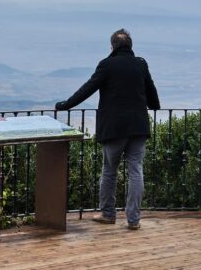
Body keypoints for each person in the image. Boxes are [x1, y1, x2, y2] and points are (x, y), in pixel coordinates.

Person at [55, 28, 160, 230]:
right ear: (130, 45)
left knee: (109, 171)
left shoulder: (107, 65)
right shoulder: (140, 64)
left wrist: (66, 105)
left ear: (112, 46)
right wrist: (155, 105)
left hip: (113, 128)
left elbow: (88, 88)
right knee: (136, 171)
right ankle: (133, 219)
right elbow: (151, 90)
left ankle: (108, 214)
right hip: (138, 127)